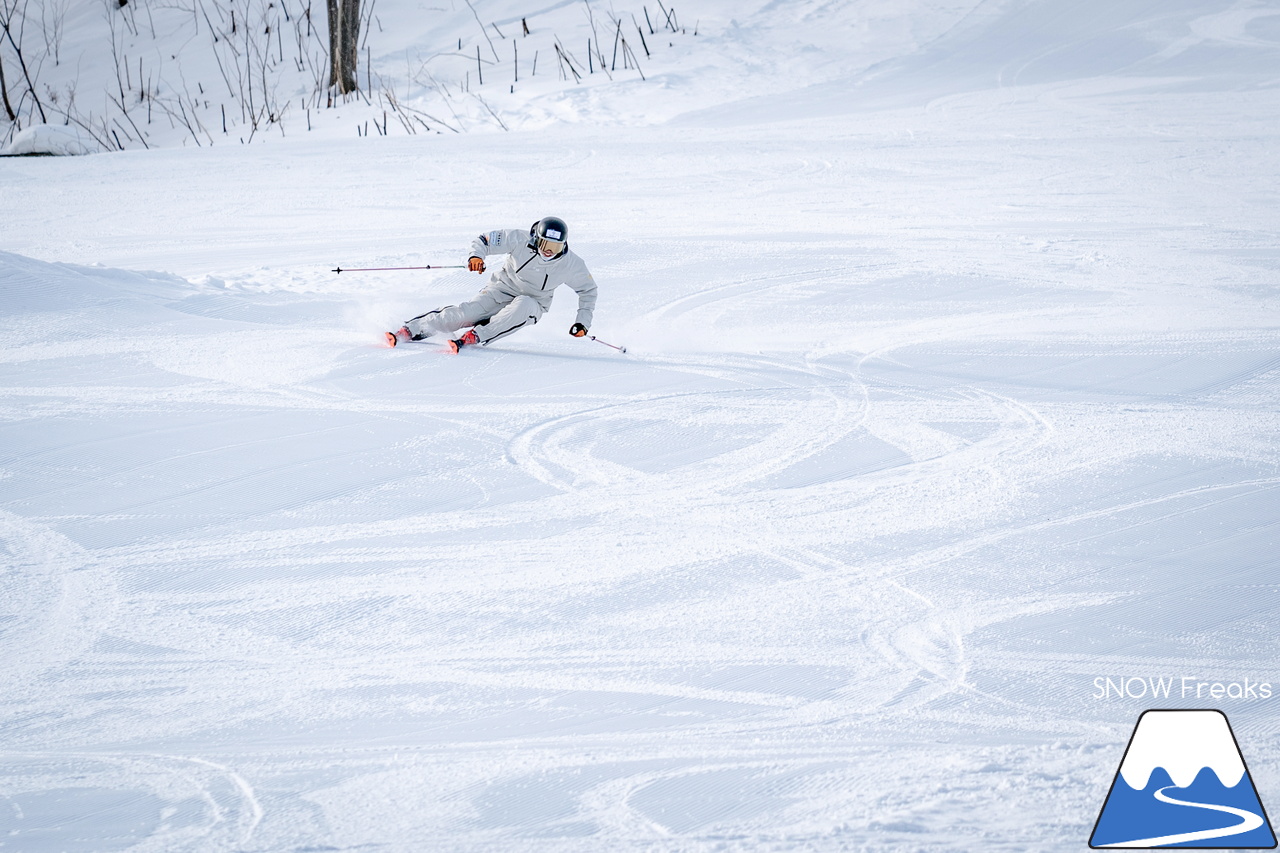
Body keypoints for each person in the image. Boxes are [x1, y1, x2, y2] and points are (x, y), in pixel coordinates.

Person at [386, 216, 597, 352]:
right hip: (502, 289)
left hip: (534, 302)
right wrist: (476, 257)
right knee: (467, 314)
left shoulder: (572, 264)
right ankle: (409, 330)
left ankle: (476, 336)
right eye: (545, 243)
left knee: (524, 305)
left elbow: (588, 291)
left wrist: (583, 322)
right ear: (536, 239)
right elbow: (485, 240)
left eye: (556, 246)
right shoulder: (519, 239)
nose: (549, 250)